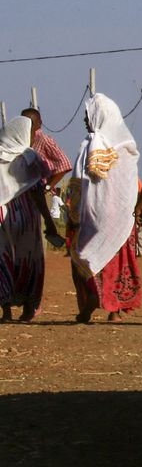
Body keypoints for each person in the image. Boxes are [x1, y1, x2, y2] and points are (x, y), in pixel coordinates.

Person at [67, 92, 142, 324]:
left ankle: (90, 303)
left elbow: (78, 183)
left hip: (93, 214)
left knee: (87, 256)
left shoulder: (89, 144)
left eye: (88, 115)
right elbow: (129, 185)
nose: (84, 120)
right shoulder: (128, 147)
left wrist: (73, 214)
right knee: (118, 258)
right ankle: (115, 310)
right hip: (121, 216)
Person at [0, 117, 50, 322]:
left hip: (3, 215)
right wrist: (51, 223)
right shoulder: (30, 157)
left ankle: (6, 311)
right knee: (29, 260)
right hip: (28, 217)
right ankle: (29, 308)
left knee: (4, 260)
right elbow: (39, 192)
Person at [20, 108, 68, 248]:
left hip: (40, 192)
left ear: (39, 123)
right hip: (24, 193)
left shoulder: (44, 140)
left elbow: (64, 164)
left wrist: (47, 187)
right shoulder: (22, 140)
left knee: (38, 232)